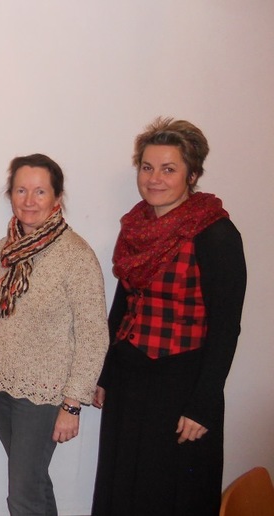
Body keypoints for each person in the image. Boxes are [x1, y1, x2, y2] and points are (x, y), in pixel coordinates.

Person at [91, 118, 247, 515]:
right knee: (123, 487)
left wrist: (203, 404)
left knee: (169, 493)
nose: (154, 178)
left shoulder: (216, 235)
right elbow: (123, 304)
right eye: (147, 167)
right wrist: (105, 373)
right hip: (130, 379)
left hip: (182, 385)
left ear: (191, 175)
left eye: (168, 169)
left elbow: (226, 328)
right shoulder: (136, 227)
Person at [0, 154, 109, 516]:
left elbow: (94, 335)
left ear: (57, 198)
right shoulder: (1, 251)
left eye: (40, 191)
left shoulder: (75, 255)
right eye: (21, 190)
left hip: (43, 397)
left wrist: (72, 403)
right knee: (33, 486)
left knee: (23, 496)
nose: (29, 200)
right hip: (0, 389)